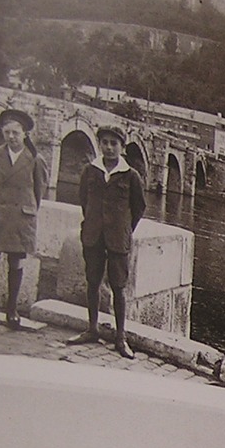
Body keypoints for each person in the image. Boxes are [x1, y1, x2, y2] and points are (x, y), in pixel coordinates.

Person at [68, 124, 145, 359]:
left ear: (122, 147)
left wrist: (122, 229)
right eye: (105, 143)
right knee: (92, 282)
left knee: (118, 287)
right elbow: (84, 200)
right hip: (93, 236)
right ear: (99, 145)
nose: (109, 148)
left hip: (117, 240)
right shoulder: (90, 171)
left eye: (114, 144)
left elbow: (138, 207)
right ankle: (92, 329)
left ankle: (120, 337)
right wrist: (93, 223)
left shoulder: (131, 176)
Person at [0, 108, 47, 329]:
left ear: (25, 133)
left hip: (20, 220)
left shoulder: (35, 159)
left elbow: (38, 192)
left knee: (16, 262)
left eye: (15, 133)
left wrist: (26, 211)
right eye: (7, 133)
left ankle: (12, 310)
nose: (11, 137)